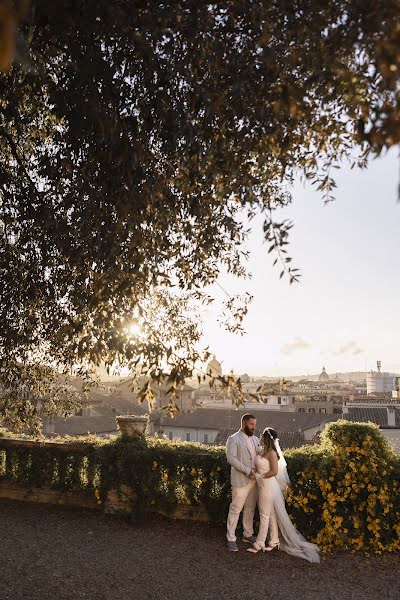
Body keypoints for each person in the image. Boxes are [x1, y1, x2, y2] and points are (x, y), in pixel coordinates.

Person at [247, 427, 320, 563]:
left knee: (264, 515)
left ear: (267, 438)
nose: (260, 437)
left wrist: (259, 476)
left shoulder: (272, 453)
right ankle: (274, 540)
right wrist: (255, 471)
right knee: (271, 515)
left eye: (262, 435)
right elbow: (259, 465)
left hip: (268, 485)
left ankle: (259, 543)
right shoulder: (262, 451)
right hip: (262, 485)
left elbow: (274, 471)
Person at [225, 414, 260, 552]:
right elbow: (231, 459)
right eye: (251, 424)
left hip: (254, 480)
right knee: (235, 509)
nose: (254, 427)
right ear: (244, 423)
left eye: (254, 424)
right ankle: (231, 537)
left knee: (250, 508)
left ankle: (247, 534)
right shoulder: (233, 439)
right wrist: (247, 470)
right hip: (241, 480)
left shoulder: (256, 439)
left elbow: (259, 455)